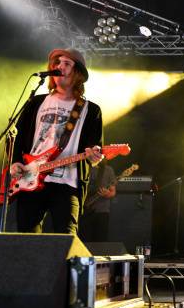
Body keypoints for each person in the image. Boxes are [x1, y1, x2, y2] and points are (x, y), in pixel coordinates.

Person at [10, 48, 103, 234]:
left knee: (65, 240)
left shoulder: (90, 110)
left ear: (77, 73)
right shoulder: (36, 102)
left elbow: (95, 148)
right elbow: (18, 137)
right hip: (30, 178)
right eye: (57, 63)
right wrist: (15, 163)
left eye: (66, 64)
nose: (59, 67)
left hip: (67, 184)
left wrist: (95, 156)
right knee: (26, 239)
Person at [78, 161, 116, 241]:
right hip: (83, 210)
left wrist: (106, 193)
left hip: (102, 211)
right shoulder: (82, 167)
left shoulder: (108, 170)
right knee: (83, 240)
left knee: (100, 241)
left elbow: (112, 192)